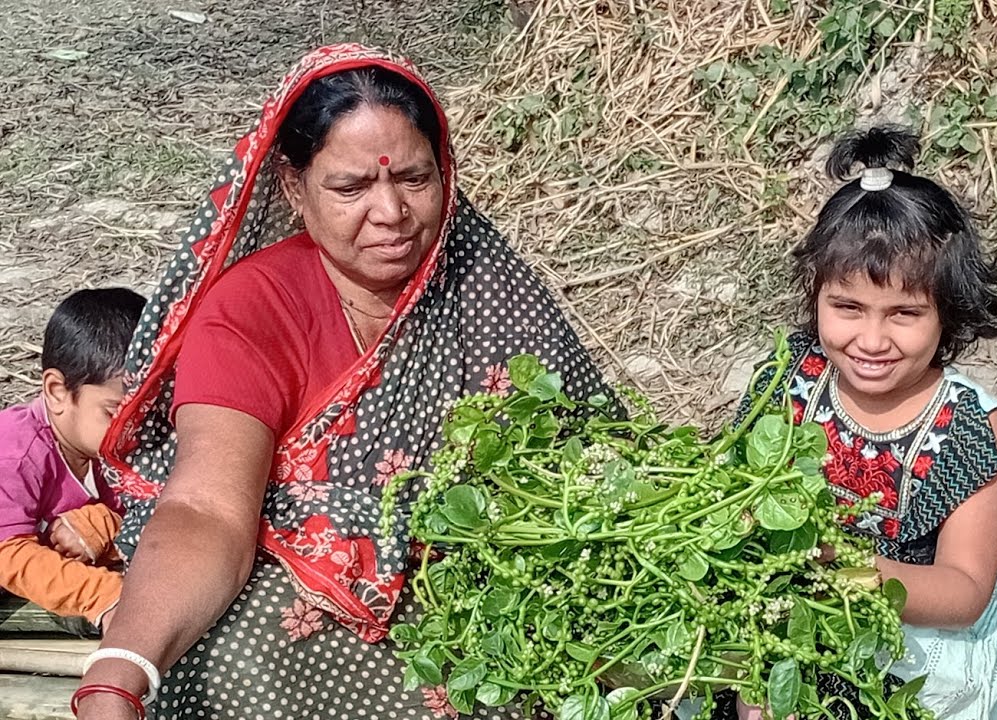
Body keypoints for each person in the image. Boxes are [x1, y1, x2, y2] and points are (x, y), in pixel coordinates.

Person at [75, 44, 610, 720]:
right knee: (234, 657)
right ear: (294, 188)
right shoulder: (255, 309)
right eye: (352, 187)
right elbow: (208, 508)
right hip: (318, 607)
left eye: (414, 178)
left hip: (493, 596)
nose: (390, 212)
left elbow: (594, 457)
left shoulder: (486, 290)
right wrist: (120, 672)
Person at [736, 126, 997, 720]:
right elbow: (731, 481)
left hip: (906, 657)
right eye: (847, 308)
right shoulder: (790, 378)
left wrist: (847, 568)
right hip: (783, 625)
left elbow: (966, 593)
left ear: (951, 310)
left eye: (904, 314)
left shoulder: (972, 432)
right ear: (816, 296)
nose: (871, 340)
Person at [0, 288, 144, 629]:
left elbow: (152, 511)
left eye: (144, 414)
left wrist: (105, 524)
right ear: (57, 392)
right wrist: (105, 595)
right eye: (114, 413)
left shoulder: (107, 448)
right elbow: (8, 556)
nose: (133, 432)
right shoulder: (14, 452)